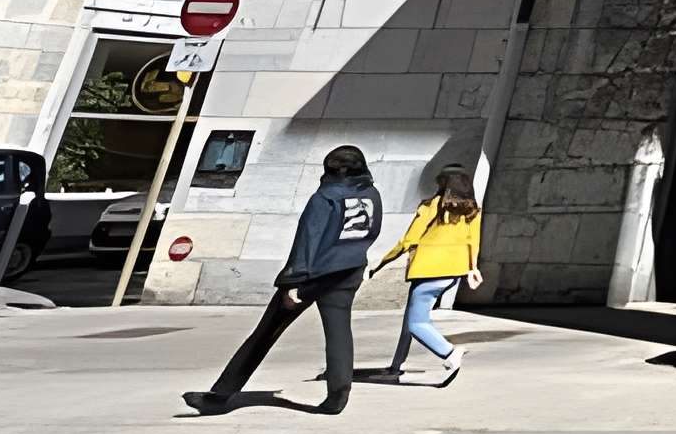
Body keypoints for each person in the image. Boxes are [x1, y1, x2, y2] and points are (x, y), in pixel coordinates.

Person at [186, 147, 383, 414]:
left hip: (313, 274)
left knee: (266, 332)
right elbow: (373, 231)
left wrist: (292, 283)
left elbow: (307, 240)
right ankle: (338, 395)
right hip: (350, 270)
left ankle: (220, 396)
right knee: (339, 333)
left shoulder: (325, 197)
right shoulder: (371, 195)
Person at [376, 166, 485, 384]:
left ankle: (449, 352)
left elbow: (408, 240)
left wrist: (380, 263)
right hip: (454, 271)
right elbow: (473, 241)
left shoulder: (430, 206)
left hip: (428, 271)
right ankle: (396, 366)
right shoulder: (472, 211)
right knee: (411, 318)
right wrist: (473, 268)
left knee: (417, 323)